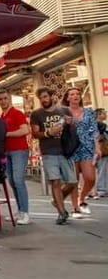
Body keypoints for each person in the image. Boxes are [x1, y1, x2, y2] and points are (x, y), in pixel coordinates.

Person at [30, 87, 76, 225]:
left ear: (51, 96)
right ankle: (61, 213)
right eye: (41, 98)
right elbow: (35, 133)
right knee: (55, 182)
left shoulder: (64, 110)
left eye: (45, 97)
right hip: (48, 151)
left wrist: (70, 123)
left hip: (65, 150)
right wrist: (48, 133)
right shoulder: (36, 114)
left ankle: (57, 200)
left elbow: (73, 130)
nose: (43, 100)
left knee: (72, 182)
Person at [62, 87, 99, 218]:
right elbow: (59, 128)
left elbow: (94, 130)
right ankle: (75, 208)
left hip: (87, 147)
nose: (75, 96)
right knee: (74, 179)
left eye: (77, 94)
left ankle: (81, 198)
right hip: (71, 148)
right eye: (72, 94)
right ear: (67, 98)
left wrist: (97, 147)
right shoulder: (63, 112)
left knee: (90, 178)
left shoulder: (88, 112)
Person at [0, 90, 32, 225]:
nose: (3, 101)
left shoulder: (17, 113)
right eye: (0, 99)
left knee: (18, 180)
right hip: (7, 151)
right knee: (12, 181)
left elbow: (25, 130)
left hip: (19, 150)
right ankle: (20, 210)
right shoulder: (2, 116)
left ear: (9, 99)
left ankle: (25, 212)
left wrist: (7, 134)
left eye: (5, 98)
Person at [95, 108, 108, 198]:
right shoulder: (101, 125)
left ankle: (102, 188)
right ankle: (101, 189)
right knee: (102, 168)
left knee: (101, 169)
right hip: (102, 149)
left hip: (99, 149)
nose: (106, 114)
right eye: (104, 113)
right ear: (99, 115)